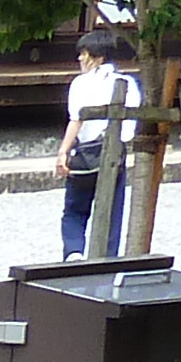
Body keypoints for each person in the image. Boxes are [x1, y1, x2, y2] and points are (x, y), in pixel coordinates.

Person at [61, 31, 142, 259]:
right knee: (112, 211)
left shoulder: (81, 83)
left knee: (75, 209)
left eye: (84, 54)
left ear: (97, 56)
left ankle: (74, 252)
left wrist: (63, 152)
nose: (80, 59)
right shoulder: (128, 83)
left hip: (86, 152)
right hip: (116, 152)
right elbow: (129, 126)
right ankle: (107, 257)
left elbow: (76, 120)